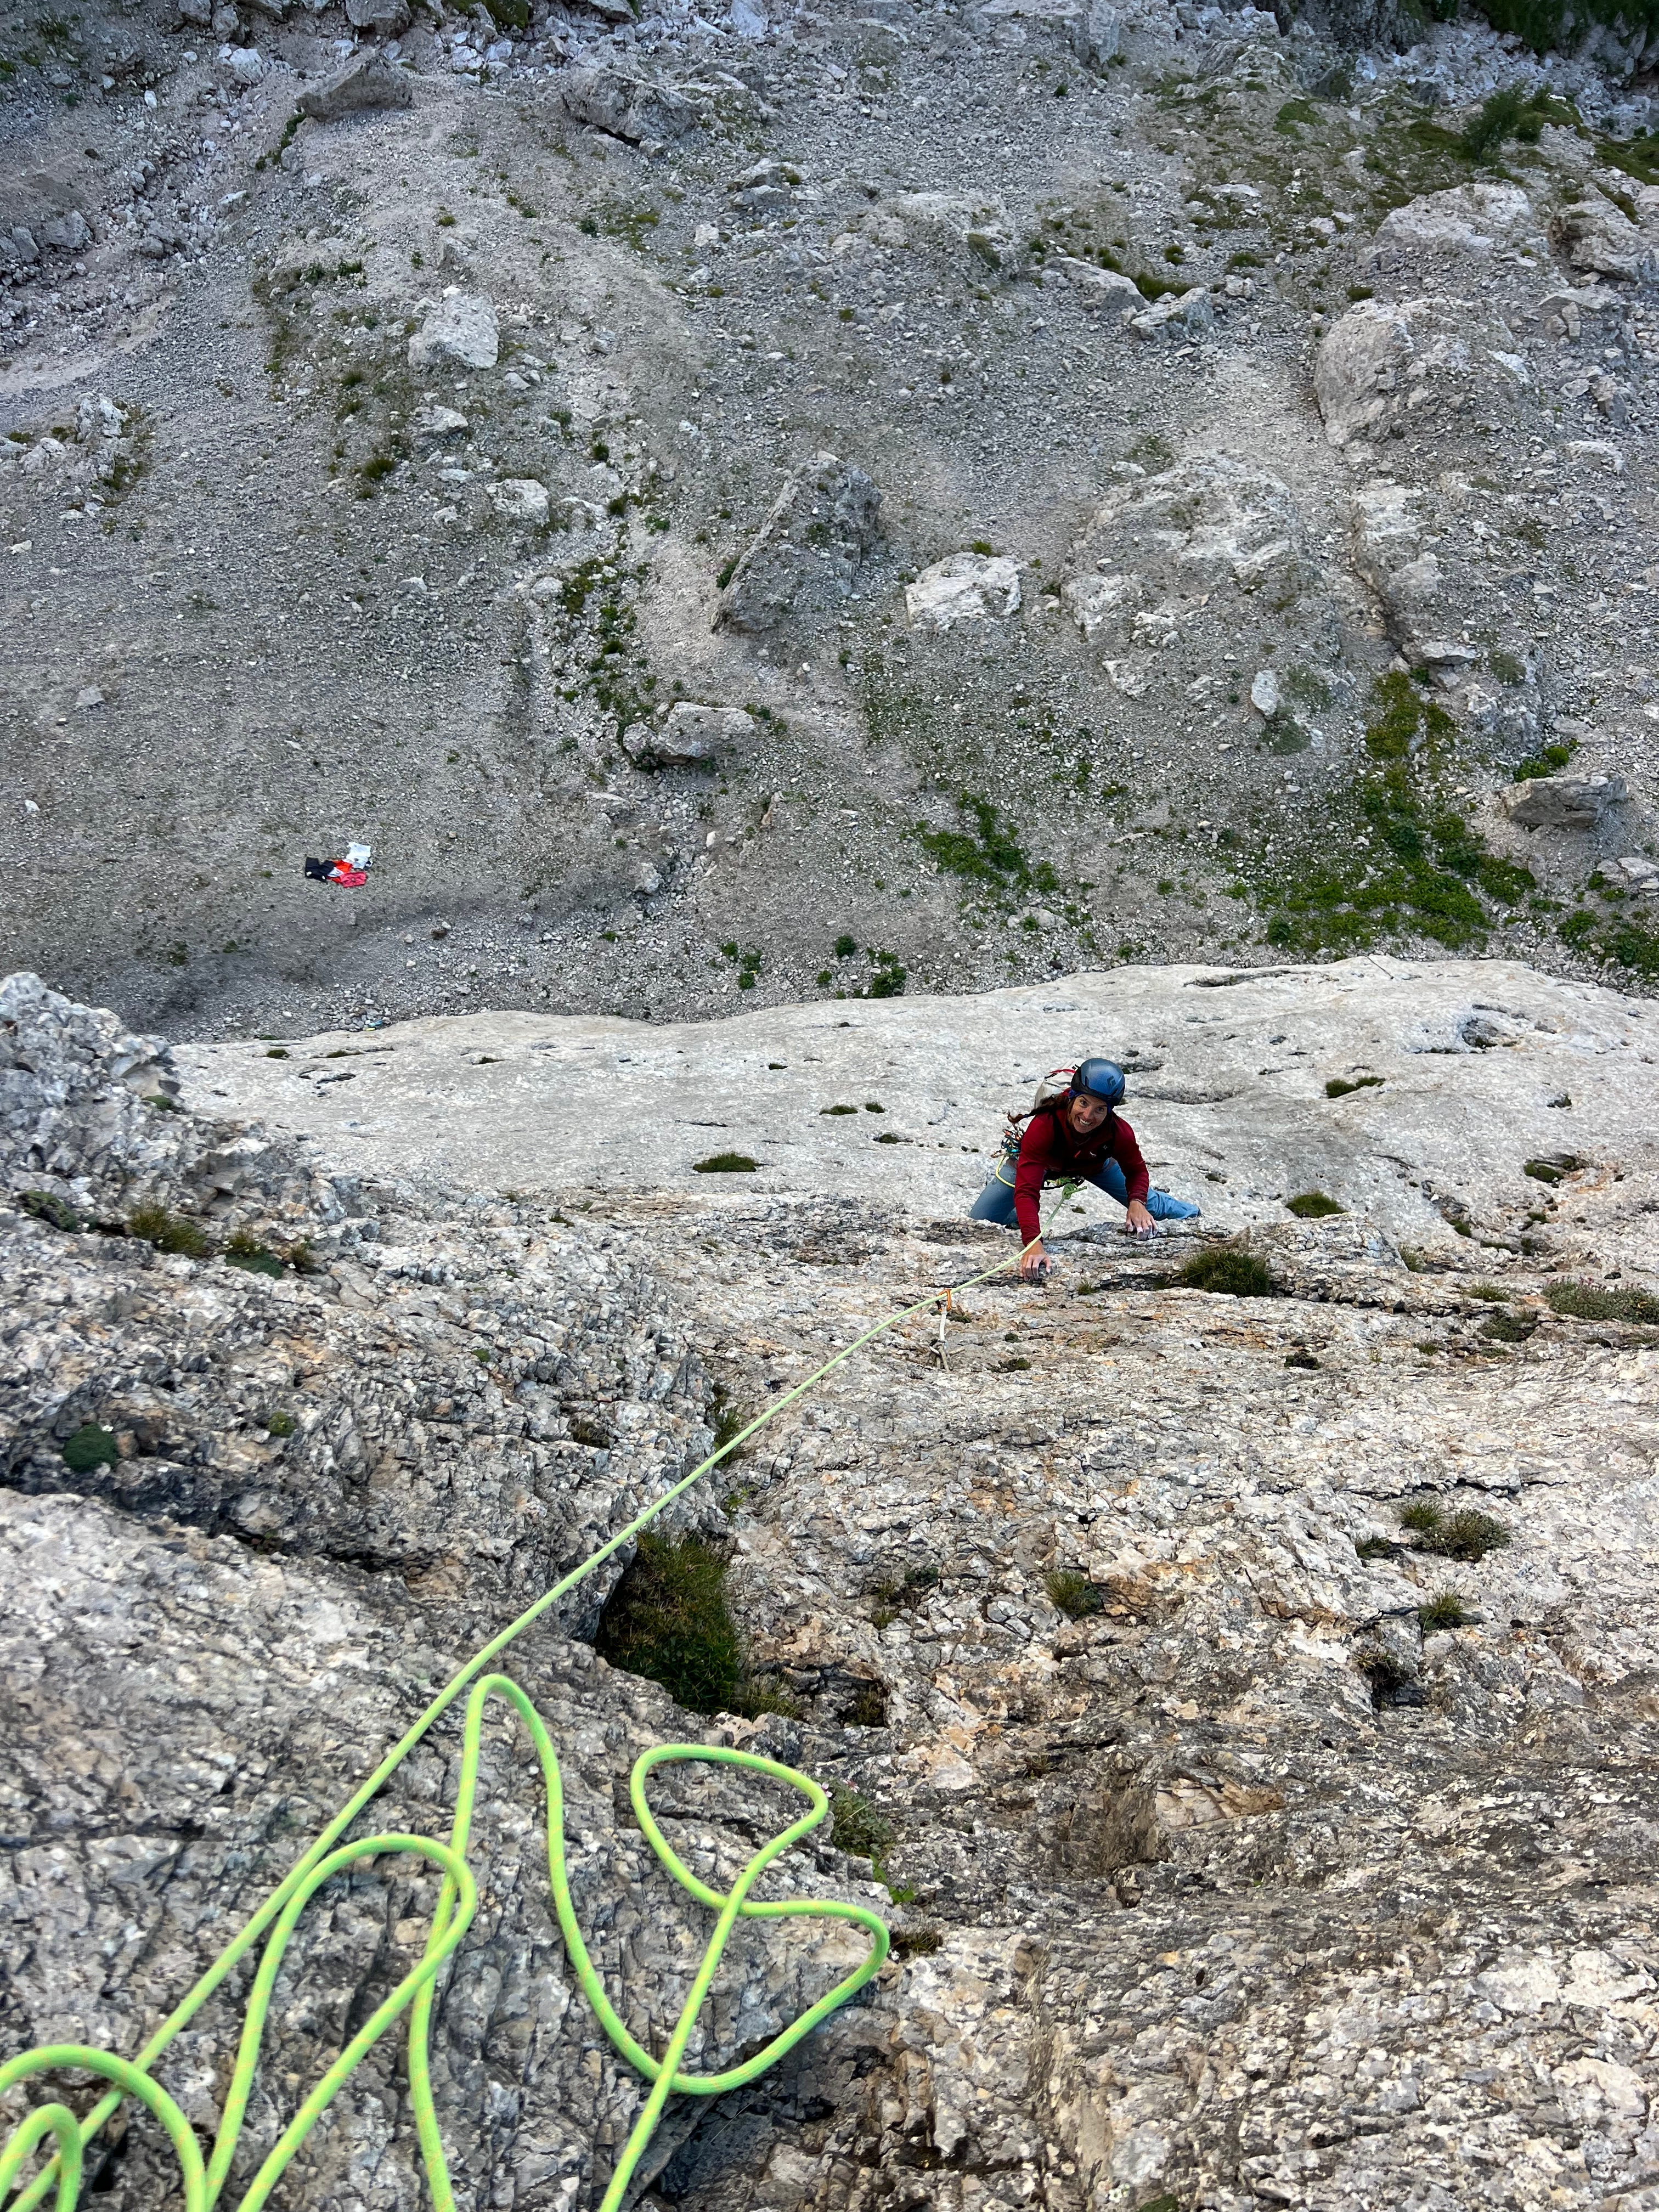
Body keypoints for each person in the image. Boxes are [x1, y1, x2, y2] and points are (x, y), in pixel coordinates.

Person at [968, 1057, 1200, 1280]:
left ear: (1110, 1110)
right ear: (1072, 1098)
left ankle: (1195, 1218)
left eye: (1100, 1109)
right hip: (1041, 1162)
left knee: (1152, 1205)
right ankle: (1021, 1219)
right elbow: (1027, 1190)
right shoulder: (1044, 1126)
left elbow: (1137, 1171)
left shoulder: (1118, 1132)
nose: (1088, 1116)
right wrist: (1033, 1242)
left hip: (1095, 1166)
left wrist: (1137, 1202)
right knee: (981, 1221)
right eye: (1084, 1103)